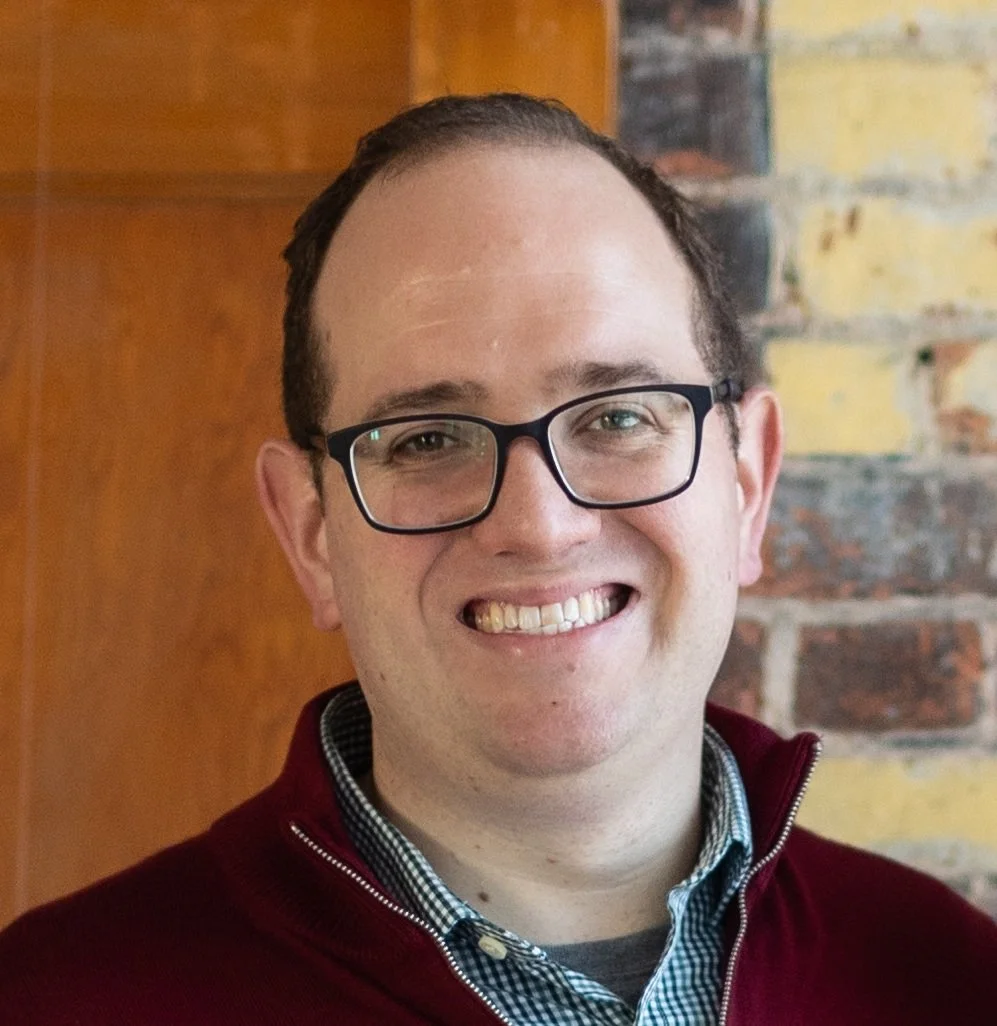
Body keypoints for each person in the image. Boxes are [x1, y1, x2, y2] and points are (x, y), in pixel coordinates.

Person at [1, 93, 995, 1026]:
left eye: (617, 416)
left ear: (746, 486)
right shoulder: (55, 1000)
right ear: (308, 531)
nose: (539, 524)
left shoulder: (951, 978)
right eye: (427, 438)